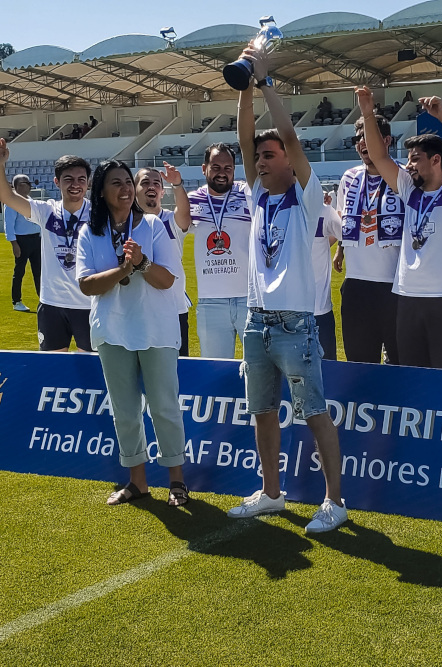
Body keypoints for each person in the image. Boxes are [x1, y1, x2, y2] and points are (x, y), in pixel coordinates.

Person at [227, 45, 346, 533]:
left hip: (297, 323)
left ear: (289, 164)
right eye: (259, 155)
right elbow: (243, 134)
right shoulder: (258, 197)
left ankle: (334, 502)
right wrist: (244, 86)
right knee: (263, 414)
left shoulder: (307, 200)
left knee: (315, 414)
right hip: (257, 322)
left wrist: (268, 82)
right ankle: (272, 493)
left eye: (269, 155)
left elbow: (291, 138)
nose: (260, 159)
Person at [75, 160, 189, 506]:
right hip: (112, 331)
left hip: (156, 329)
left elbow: (168, 280)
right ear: (102, 192)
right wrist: (122, 268)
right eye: (116, 184)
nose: (125, 189)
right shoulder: (89, 232)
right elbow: (86, 285)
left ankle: (177, 482)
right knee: (124, 411)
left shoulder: (155, 225)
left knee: (164, 407)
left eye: (128, 182)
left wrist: (141, 264)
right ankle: (137, 483)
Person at [357, 85, 442, 370]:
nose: (409, 165)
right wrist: (367, 115)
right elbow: (379, 157)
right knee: (414, 378)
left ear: (436, 160)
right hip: (408, 299)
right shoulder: (408, 190)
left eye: (415, 158)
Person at [0, 139, 93, 352]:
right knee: (52, 369)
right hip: (52, 305)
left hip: (89, 305)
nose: (75, 184)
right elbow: (6, 196)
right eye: (69, 179)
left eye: (81, 179)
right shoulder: (47, 211)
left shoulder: (98, 214)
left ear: (88, 183)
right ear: (57, 181)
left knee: (93, 370)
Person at [332, 112, 403, 365]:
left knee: (398, 362)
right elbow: (344, 218)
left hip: (394, 285)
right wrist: (340, 248)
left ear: (387, 141)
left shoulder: (402, 176)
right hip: (356, 285)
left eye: (368, 137)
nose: (363, 143)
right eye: (358, 138)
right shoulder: (349, 177)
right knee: (359, 362)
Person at [173, 143, 252, 359]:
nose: (222, 173)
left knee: (258, 368)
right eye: (216, 167)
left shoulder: (247, 194)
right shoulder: (193, 199)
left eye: (228, 168)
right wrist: (177, 186)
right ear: (204, 168)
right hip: (211, 300)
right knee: (215, 367)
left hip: (249, 298)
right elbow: (182, 223)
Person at [136, 164, 191, 356]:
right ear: (134, 190)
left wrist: (177, 184)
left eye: (156, 183)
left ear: (161, 192)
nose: (151, 186)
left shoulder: (170, 220)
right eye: (145, 183)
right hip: (138, 310)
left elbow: (184, 216)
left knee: (179, 368)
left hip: (174, 308)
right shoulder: (127, 224)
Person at [4, 174, 41, 312]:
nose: (26, 186)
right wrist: (14, 244)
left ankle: (42, 299)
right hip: (22, 240)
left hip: (36, 239)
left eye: (27, 183)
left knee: (39, 271)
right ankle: (17, 301)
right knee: (19, 271)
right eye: (22, 183)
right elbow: (9, 225)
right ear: (15, 186)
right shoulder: (12, 203)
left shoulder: (32, 201)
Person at [313, 199, 342, 360]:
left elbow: (344, 233)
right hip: (287, 311)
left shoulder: (323, 210)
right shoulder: (276, 208)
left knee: (328, 369)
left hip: (320, 309)